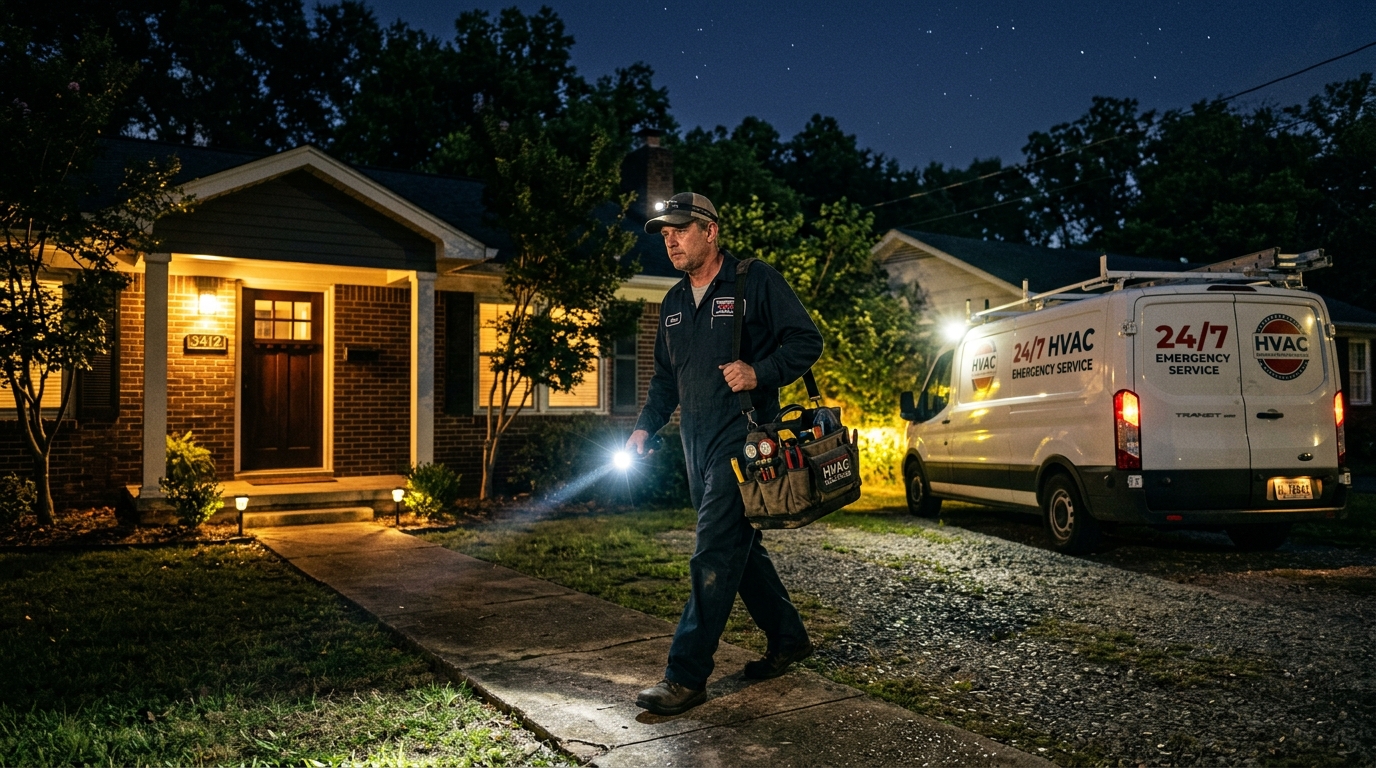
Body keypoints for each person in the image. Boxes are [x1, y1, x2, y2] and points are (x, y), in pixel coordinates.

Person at [627, 192, 823, 716]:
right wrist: (645, 428)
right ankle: (788, 637)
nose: (670, 241)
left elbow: (807, 341)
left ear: (711, 231)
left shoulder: (753, 280)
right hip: (696, 443)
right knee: (739, 547)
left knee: (713, 552)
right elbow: (665, 381)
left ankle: (685, 676)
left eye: (681, 230)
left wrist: (760, 373)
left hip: (745, 443)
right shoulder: (671, 304)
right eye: (664, 234)